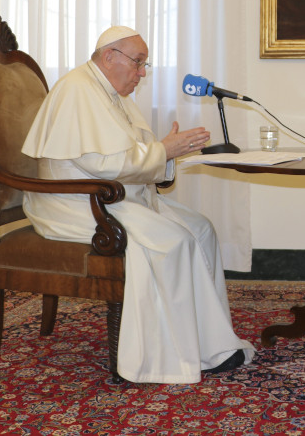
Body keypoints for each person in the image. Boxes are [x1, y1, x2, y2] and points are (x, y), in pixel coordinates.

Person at [21, 26, 254, 384]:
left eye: (145, 65)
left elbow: (127, 157)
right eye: (138, 63)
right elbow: (102, 164)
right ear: (110, 55)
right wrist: (165, 151)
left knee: (201, 228)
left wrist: (167, 153)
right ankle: (164, 357)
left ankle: (210, 343)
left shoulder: (112, 92)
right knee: (171, 242)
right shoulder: (78, 90)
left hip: (110, 195)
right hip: (74, 201)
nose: (142, 73)